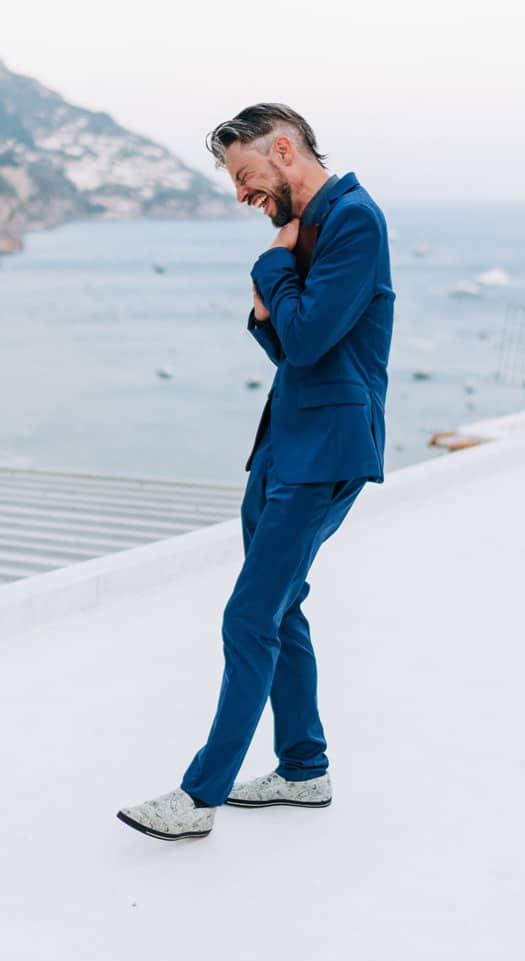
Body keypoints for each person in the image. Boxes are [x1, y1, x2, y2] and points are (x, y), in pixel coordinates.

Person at [118, 104, 394, 840]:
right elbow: (293, 347)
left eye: (245, 176)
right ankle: (304, 769)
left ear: (283, 149)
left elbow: (305, 343)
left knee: (248, 617)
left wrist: (271, 269)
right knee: (278, 609)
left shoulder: (354, 220)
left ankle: (199, 798)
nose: (242, 193)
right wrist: (271, 312)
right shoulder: (315, 226)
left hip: (326, 449)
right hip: (285, 444)